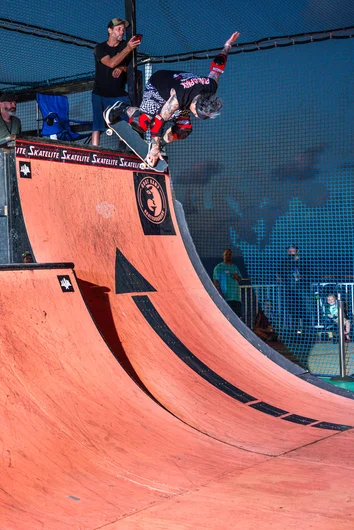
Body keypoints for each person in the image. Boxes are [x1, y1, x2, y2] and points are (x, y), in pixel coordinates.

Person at [104, 32, 240, 166]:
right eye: (198, 114)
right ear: (195, 105)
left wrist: (227, 45)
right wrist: (154, 149)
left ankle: (160, 142)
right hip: (158, 87)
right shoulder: (178, 98)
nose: (198, 117)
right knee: (143, 123)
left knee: (184, 129)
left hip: (180, 93)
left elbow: (218, 65)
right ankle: (121, 107)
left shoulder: (210, 86)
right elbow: (158, 121)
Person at [91, 17, 141, 146]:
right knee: (97, 125)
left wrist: (122, 67)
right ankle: (93, 152)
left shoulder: (125, 45)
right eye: (118, 29)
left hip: (118, 94)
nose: (121, 32)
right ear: (110, 30)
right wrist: (128, 49)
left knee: (124, 123)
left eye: (123, 29)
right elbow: (110, 63)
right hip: (100, 94)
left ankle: (122, 152)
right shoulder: (100, 48)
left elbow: (128, 67)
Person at [213, 248, 243, 317]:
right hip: (225, 298)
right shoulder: (219, 268)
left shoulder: (234, 267)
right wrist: (220, 294)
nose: (228, 256)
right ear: (223, 256)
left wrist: (237, 277)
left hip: (236, 297)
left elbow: (240, 279)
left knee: (237, 318)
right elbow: (215, 282)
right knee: (226, 317)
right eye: (226, 254)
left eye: (229, 254)